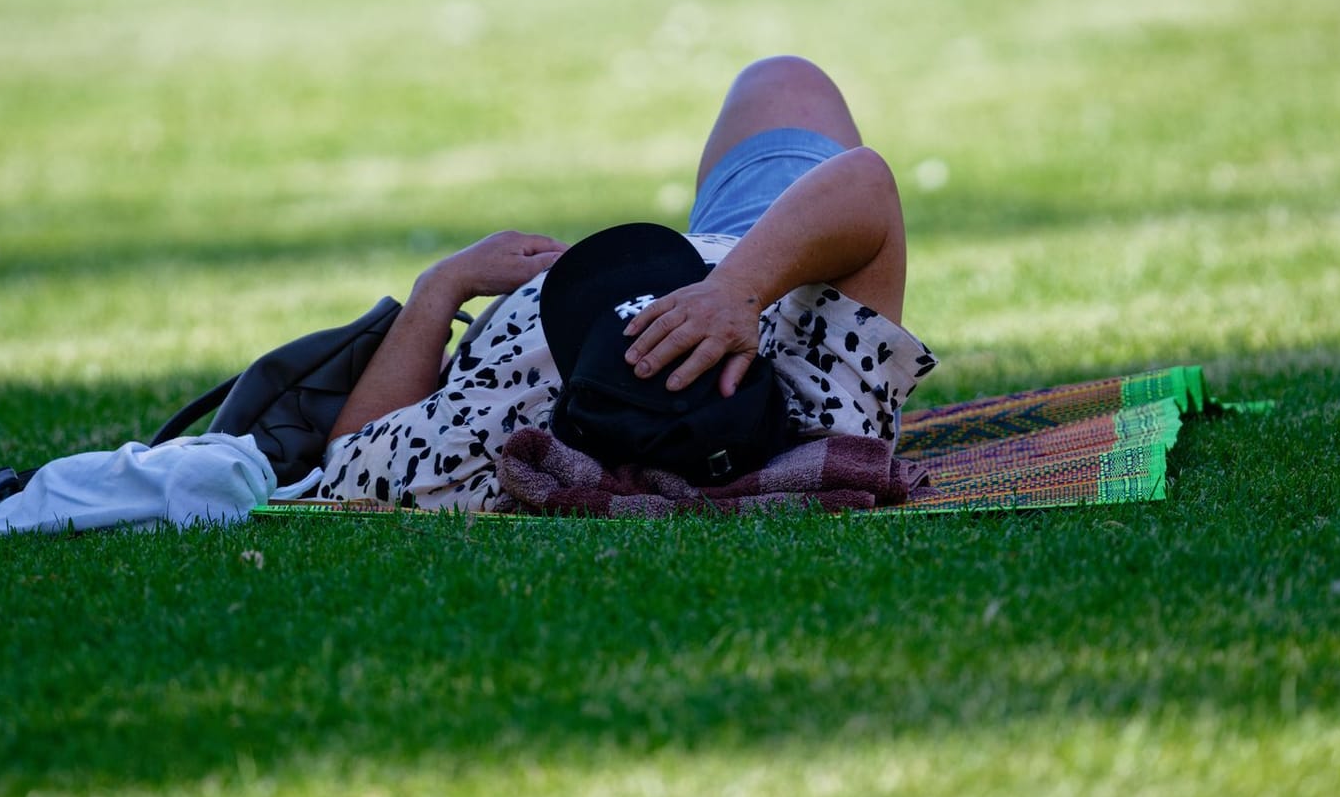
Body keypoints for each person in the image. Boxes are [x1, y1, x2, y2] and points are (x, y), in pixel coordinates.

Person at [317, 55, 937, 509]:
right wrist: (735, 290)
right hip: (775, 252)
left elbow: (348, 464)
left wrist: (442, 287)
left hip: (724, 268)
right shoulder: (825, 413)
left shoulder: (504, 429)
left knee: (779, 80)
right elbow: (865, 184)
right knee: (785, 79)